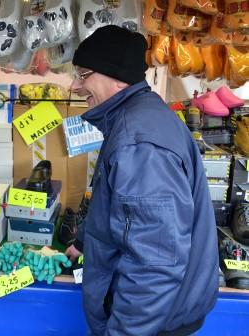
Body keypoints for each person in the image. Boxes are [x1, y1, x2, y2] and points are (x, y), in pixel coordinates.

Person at [64, 25, 218, 335]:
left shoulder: (139, 143)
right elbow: (130, 212)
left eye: (84, 75)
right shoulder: (135, 119)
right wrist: (87, 243)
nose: (74, 86)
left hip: (154, 322)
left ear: (117, 78)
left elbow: (155, 262)